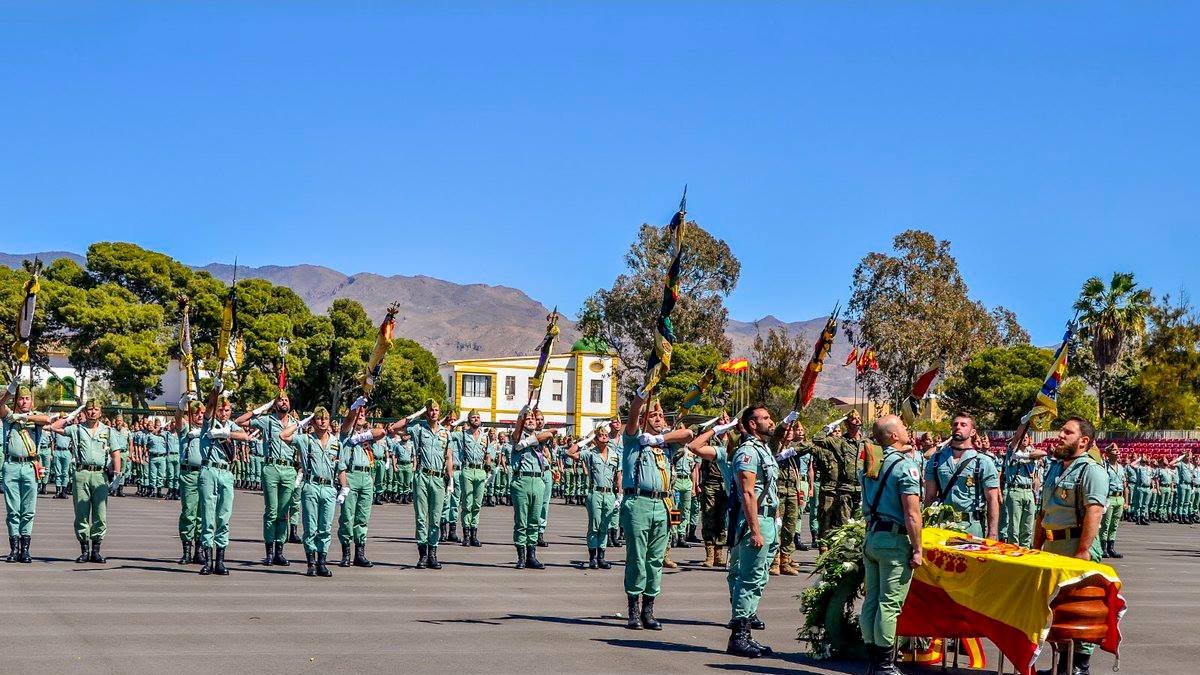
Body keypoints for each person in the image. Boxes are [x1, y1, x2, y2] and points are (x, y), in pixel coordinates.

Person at [1034, 417, 1109, 675]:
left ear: (1083, 441)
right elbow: (1043, 512)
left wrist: (1084, 550)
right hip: (1053, 546)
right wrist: (1036, 546)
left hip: (1075, 544)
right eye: (1061, 431)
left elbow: (1094, 511)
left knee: (1080, 607)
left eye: (1068, 432)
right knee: (1057, 608)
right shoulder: (1055, 468)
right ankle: (1061, 664)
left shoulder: (1091, 471)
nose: (1060, 435)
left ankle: (1079, 665)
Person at [619, 394, 695, 630]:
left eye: (661, 415)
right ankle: (633, 609)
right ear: (644, 420)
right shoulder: (635, 440)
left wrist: (660, 438)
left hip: (663, 504)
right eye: (653, 415)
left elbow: (688, 434)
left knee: (655, 559)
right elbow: (633, 415)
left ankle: (648, 610)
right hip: (638, 502)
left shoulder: (665, 444)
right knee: (637, 557)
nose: (659, 418)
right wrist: (640, 397)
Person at [859, 414, 923, 675]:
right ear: (894, 435)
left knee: (871, 601)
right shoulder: (905, 466)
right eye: (903, 427)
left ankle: (874, 661)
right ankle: (885, 665)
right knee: (889, 604)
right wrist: (917, 548)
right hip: (894, 542)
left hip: (872, 536)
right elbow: (912, 513)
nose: (907, 429)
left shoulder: (872, 462)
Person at [724, 405, 781, 657]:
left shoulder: (763, 449)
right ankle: (738, 637)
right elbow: (748, 493)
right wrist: (755, 530)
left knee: (758, 578)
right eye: (765, 418)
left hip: (768, 520)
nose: (771, 421)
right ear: (752, 424)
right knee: (748, 579)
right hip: (755, 521)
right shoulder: (747, 452)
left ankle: (747, 634)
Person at [195, 382, 260, 576]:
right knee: (208, 516)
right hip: (209, 470)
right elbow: (209, 407)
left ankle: (220, 561)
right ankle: (208, 560)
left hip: (226, 472)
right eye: (221, 410)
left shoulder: (230, 425)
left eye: (227, 410)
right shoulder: (209, 422)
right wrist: (216, 390)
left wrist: (226, 433)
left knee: (224, 516)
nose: (224, 413)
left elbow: (245, 436)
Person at [49, 400, 121, 563]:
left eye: (96, 409)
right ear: (85, 412)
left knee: (100, 514)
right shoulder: (76, 429)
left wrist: (117, 475)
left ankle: (96, 551)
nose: (93, 412)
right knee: (81, 513)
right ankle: (84, 550)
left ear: (100, 412)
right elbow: (53, 427)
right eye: (89, 409)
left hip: (100, 475)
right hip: (81, 474)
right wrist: (72, 415)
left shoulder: (107, 431)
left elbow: (115, 453)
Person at [793, 410, 871, 551]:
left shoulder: (867, 443)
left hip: (862, 491)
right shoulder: (839, 442)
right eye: (853, 419)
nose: (857, 421)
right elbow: (817, 439)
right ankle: (838, 554)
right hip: (844, 490)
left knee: (860, 527)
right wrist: (832, 425)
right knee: (843, 526)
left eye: (859, 418)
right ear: (847, 424)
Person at [236, 393, 299, 567]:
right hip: (271, 467)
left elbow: (300, 446)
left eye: (286, 400)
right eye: (280, 400)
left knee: (284, 512)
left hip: (289, 469)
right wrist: (260, 409)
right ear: (275, 404)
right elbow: (239, 422)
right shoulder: (267, 420)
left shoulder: (295, 423)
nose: (284, 402)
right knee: (271, 511)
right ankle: (269, 552)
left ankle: (279, 551)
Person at [281, 407, 341, 577]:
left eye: (326, 418)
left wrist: (345, 488)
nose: (323, 421)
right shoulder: (305, 439)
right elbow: (283, 435)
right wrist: (301, 423)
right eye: (319, 419)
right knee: (310, 527)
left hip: (329, 487)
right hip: (311, 486)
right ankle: (311, 563)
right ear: (313, 422)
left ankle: (322, 562)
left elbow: (341, 467)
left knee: (325, 527)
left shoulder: (336, 442)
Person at [1, 381, 55, 562]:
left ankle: (25, 549)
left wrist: (26, 418)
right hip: (12, 466)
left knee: (28, 510)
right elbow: (0, 406)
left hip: (30, 466)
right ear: (16, 401)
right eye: (21, 399)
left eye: (27, 399)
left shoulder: (35, 417)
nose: (24, 402)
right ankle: (14, 549)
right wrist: (9, 390)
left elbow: (47, 420)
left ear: (32, 401)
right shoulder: (9, 417)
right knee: (13, 510)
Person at [923, 414, 1000, 539]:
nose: (958, 427)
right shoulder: (936, 459)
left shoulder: (983, 461)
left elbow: (992, 500)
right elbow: (930, 496)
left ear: (972, 432)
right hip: (941, 525)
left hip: (971, 526)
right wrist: (925, 526)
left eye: (963, 425)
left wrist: (992, 534)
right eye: (955, 424)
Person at [565, 424, 621, 569]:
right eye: (600, 435)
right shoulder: (590, 453)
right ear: (596, 439)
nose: (604, 437)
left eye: (606, 435)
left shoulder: (614, 455)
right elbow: (569, 452)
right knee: (594, 526)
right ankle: (592, 558)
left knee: (605, 526)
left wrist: (619, 495)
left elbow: (618, 475)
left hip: (609, 494)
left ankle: (601, 557)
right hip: (595, 493)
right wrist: (586, 440)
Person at [509, 405, 557, 569]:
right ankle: (521, 557)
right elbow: (517, 432)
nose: (530, 421)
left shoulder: (539, 436)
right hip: (522, 480)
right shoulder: (517, 436)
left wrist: (530, 440)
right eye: (528, 419)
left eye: (533, 419)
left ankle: (532, 556)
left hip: (538, 481)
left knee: (534, 520)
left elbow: (550, 433)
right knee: (521, 521)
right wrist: (521, 415)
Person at [409, 400, 453, 569]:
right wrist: (418, 414)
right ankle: (423, 555)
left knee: (435, 518)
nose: (434, 413)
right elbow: (397, 427)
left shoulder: (446, 433)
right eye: (431, 410)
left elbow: (448, 457)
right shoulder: (418, 429)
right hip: (422, 476)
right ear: (427, 412)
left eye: (436, 410)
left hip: (438, 479)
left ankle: (433, 554)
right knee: (421, 517)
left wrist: (450, 479)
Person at [450, 410, 488, 547]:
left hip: (480, 471)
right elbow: (448, 432)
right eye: (473, 417)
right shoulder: (462, 435)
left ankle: (474, 535)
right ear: (468, 420)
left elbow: (488, 454)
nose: (476, 419)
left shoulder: (485, 437)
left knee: (477, 504)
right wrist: (457, 421)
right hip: (467, 470)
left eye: (478, 417)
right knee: (467, 503)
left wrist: (488, 469)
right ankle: (466, 535)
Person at [1000, 434, 1045, 547]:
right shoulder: (1012, 451)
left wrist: (1026, 456)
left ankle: (1025, 551)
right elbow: (1013, 446)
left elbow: (1043, 453)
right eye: (1022, 437)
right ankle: (1013, 551)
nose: (1024, 438)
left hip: (1029, 491)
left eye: (1027, 437)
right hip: (1015, 490)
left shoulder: (1031, 452)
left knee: (1028, 527)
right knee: (1014, 528)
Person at [1100, 444, 1128, 559]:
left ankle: (1111, 548)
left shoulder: (1121, 467)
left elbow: (1125, 485)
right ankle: (1103, 548)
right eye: (1114, 450)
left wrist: (1126, 501)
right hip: (1109, 498)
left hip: (1119, 498)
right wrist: (1107, 449)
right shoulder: (1105, 466)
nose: (1117, 452)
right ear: (1108, 453)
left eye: (1118, 450)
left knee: (1114, 524)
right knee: (1105, 524)